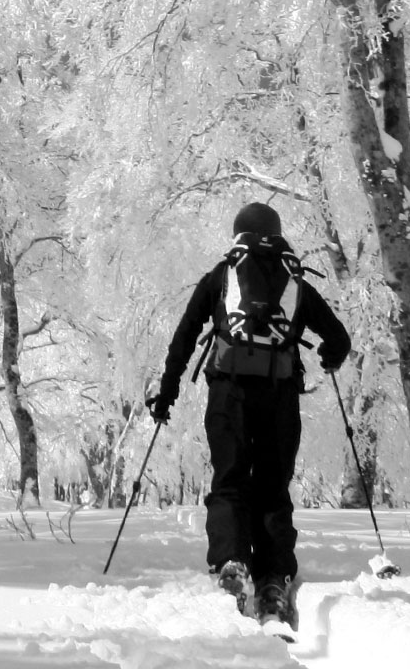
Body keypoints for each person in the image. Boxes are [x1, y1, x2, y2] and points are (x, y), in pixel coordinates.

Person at [146, 202, 351, 628]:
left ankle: (231, 563)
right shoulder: (294, 280)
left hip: (229, 394)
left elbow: (184, 337)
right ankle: (274, 580)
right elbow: (338, 338)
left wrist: (166, 394)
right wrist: (329, 358)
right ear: (276, 233)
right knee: (273, 488)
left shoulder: (223, 275)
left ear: (237, 233)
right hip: (278, 397)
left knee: (231, 481)